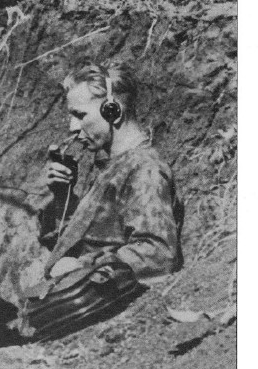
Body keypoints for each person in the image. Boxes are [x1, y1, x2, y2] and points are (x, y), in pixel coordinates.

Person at [38, 61, 183, 280]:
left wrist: (83, 265)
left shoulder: (144, 169)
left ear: (112, 110)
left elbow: (157, 253)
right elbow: (82, 243)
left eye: (80, 115)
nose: (72, 127)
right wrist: (62, 196)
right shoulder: (115, 168)